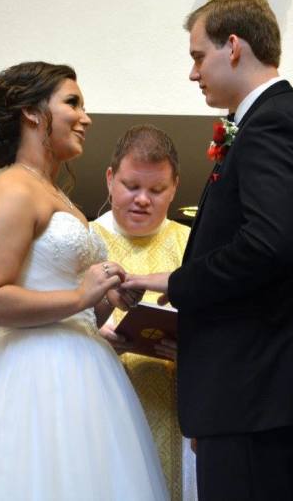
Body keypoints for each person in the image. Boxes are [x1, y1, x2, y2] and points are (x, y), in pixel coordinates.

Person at [123, 0, 293, 500]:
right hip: (257, 393)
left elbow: (267, 245)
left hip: (257, 392)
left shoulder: (273, 123)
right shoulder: (274, 119)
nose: (193, 73)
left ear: (233, 46)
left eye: (197, 56)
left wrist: (172, 282)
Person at [0, 62, 167, 500]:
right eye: (72, 103)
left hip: (84, 372)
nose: (85, 118)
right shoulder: (12, 190)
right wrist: (79, 295)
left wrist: (106, 297)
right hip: (33, 376)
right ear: (31, 113)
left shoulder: (53, 193)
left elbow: (71, 301)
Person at [92, 125, 196, 500]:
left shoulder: (193, 247)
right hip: (97, 407)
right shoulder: (86, 242)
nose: (142, 200)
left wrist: (195, 351)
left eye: (157, 190)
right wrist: (93, 338)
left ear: (175, 187)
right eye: (131, 186)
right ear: (109, 179)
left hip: (174, 413)